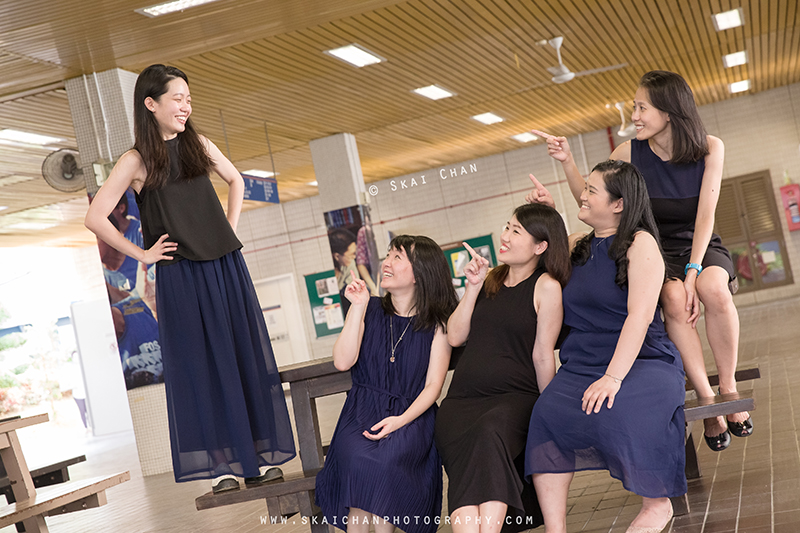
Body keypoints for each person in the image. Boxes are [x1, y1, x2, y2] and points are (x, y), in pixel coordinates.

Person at [84, 64, 296, 493]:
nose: (186, 106)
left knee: (243, 355)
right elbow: (95, 217)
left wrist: (228, 230)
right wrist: (143, 254)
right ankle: (223, 467)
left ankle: (258, 459)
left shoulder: (199, 143)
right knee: (201, 366)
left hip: (226, 267)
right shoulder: (135, 161)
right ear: (151, 104)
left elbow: (236, 180)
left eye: (188, 99)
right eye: (177, 98)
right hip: (181, 276)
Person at [530, 70, 751, 452]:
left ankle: (728, 388)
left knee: (714, 288)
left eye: (641, 108)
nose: (634, 116)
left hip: (698, 243)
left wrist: (693, 272)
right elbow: (595, 196)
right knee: (673, 299)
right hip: (654, 250)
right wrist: (567, 161)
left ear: (669, 111)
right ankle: (707, 399)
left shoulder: (709, 147)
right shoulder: (628, 152)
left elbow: (705, 216)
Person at [526, 160, 685, 533]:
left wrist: (613, 378)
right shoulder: (577, 245)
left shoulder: (641, 244)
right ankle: (555, 528)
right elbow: (543, 254)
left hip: (643, 361)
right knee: (546, 416)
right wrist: (548, 214)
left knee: (622, 412)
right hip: (582, 363)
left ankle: (657, 503)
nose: (582, 194)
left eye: (591, 190)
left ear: (618, 204)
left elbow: (639, 317)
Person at [435, 203, 570, 533]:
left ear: (540, 246)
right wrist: (472, 287)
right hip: (461, 401)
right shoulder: (490, 280)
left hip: (514, 399)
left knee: (490, 433)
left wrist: (549, 409)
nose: (505, 236)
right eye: (507, 227)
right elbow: (455, 335)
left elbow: (542, 355)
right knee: (468, 468)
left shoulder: (546, 286)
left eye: (516, 231)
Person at [315, 235, 457, 533]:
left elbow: (433, 386)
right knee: (358, 459)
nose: (386, 263)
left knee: (385, 464)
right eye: (388, 255)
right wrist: (357, 307)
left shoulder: (438, 324)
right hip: (362, 412)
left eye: (397, 257)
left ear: (419, 274)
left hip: (411, 416)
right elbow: (342, 361)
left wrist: (400, 421)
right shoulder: (369, 308)